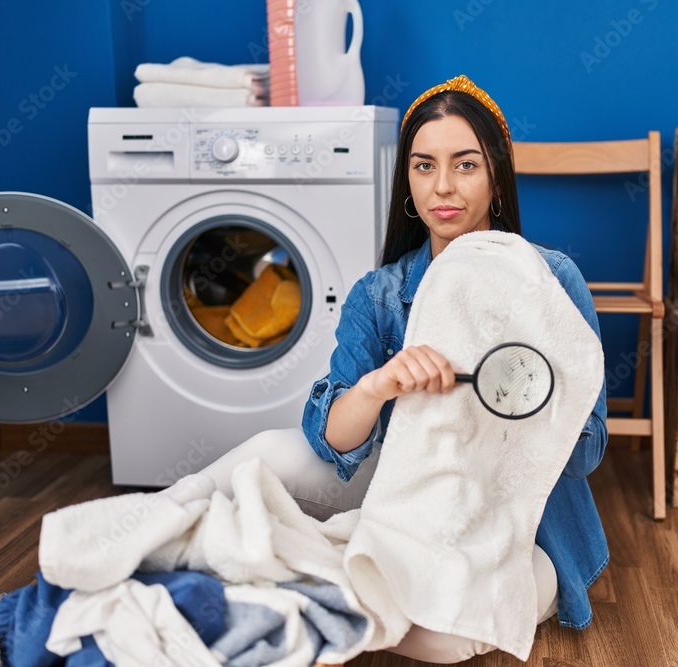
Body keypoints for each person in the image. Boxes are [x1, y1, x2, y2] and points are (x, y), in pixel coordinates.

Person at [203, 75, 608, 663]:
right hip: (408, 490)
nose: (443, 187)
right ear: (407, 180)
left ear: (496, 175)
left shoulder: (551, 281)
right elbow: (330, 441)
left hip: (522, 523)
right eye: (424, 166)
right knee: (268, 451)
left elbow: (588, 452)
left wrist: (520, 400)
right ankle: (148, 535)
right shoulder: (382, 293)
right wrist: (378, 385)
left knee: (441, 640)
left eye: (465, 165)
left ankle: (298, 588)